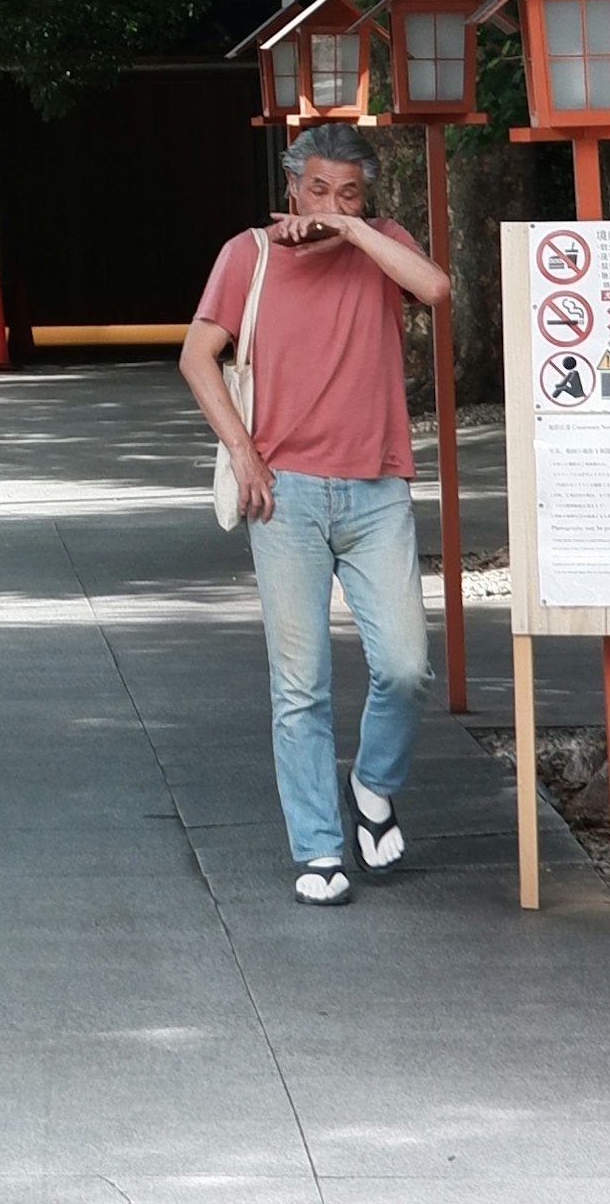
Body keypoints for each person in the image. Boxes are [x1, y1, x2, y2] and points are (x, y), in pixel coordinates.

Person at [179, 118, 447, 907]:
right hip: (284, 493)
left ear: (368, 199)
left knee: (405, 666)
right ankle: (319, 848)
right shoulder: (248, 255)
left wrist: (354, 230)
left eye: (350, 192)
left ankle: (372, 787)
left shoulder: (381, 243)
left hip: (377, 487)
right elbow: (198, 355)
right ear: (291, 186)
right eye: (319, 189)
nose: (330, 202)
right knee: (299, 685)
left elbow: (435, 290)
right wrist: (241, 449)